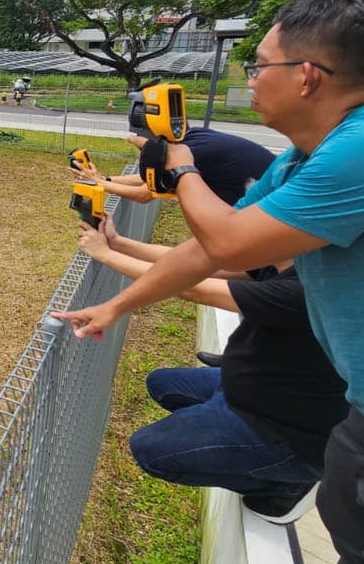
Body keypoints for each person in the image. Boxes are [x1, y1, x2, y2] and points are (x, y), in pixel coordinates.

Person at [56, 0, 364, 564]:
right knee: (356, 548)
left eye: (258, 65)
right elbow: (203, 246)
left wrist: (179, 164)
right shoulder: (307, 159)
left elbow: (227, 245)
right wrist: (118, 303)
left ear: (307, 75)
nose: (248, 78)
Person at [78, 217, 346, 523]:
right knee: (161, 384)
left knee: (150, 451)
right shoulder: (290, 259)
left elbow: (192, 288)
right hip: (251, 387)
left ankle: (287, 482)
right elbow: (188, 265)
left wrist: (105, 255)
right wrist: (119, 242)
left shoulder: (307, 290)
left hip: (285, 429)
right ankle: (219, 433)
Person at [68, 127, 275, 206]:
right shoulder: (187, 140)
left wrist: (96, 183)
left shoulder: (194, 152)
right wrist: (105, 179)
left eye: (142, 149)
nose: (139, 156)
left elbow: (144, 194)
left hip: (272, 219)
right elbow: (148, 178)